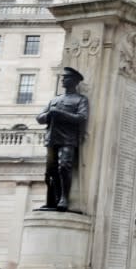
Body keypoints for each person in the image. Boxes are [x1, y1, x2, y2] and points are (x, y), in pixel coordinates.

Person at [36, 67, 89, 212]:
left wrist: (60, 113)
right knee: (50, 171)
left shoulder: (80, 100)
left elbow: (82, 117)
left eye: (66, 78)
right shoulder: (55, 99)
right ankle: (54, 199)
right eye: (63, 77)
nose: (63, 80)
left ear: (75, 81)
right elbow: (39, 118)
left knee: (64, 166)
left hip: (68, 139)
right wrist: (49, 115)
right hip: (52, 139)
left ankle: (64, 198)